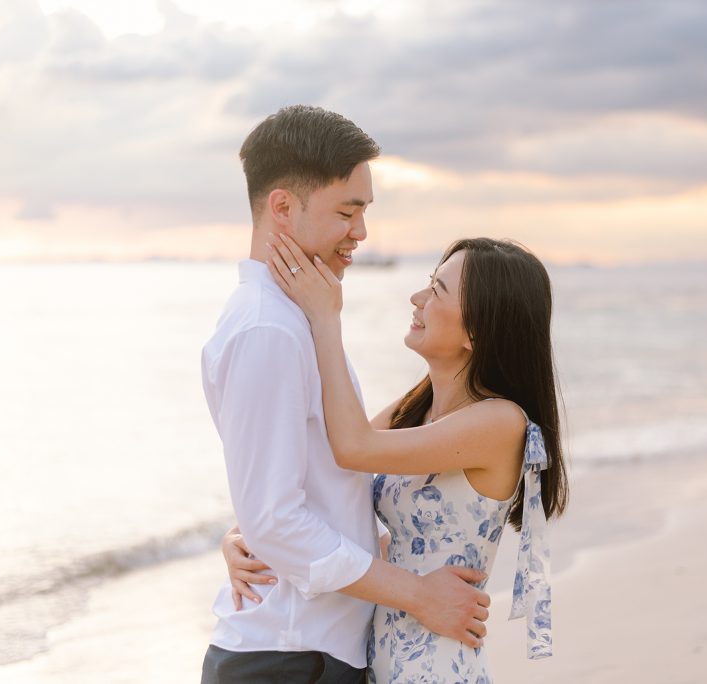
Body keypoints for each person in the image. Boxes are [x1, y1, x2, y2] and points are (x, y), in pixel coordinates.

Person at [200, 105, 491, 684]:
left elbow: (313, 480)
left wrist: (244, 531)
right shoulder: (269, 330)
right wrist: (417, 595)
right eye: (346, 212)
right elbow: (276, 520)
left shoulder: (295, 320)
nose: (360, 232)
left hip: (311, 649)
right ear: (282, 207)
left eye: (363, 213)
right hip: (286, 655)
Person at [227, 233, 570, 681]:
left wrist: (325, 319)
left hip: (437, 668)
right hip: (378, 660)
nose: (417, 297)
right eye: (429, 282)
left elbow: (351, 448)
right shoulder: (417, 408)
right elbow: (322, 474)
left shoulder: (501, 422)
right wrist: (243, 533)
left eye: (437, 291)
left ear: (477, 331)